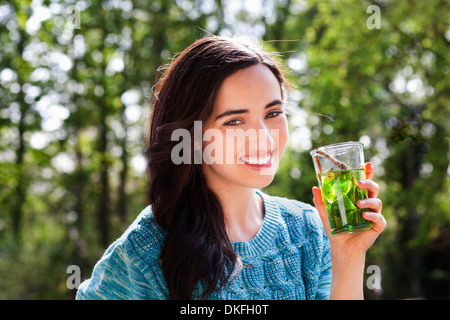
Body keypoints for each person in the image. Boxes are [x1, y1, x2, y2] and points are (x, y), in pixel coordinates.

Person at [76, 36, 385, 300]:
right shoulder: (146, 251)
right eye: (234, 121)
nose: (263, 138)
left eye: (273, 112)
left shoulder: (309, 229)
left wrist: (348, 254)